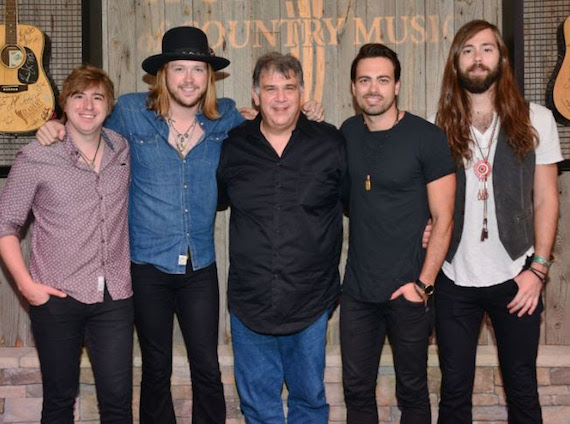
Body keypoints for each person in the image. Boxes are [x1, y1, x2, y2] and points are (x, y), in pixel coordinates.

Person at [36, 27, 323, 424]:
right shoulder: (132, 113)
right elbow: (88, 120)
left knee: (206, 365)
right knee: (157, 367)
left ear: (209, 77)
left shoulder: (226, 117)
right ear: (162, 75)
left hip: (199, 267)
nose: (189, 78)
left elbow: (275, 121)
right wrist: (54, 124)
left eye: (198, 69)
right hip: (147, 265)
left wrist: (307, 113)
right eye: (179, 68)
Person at [433, 20, 562, 424]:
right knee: (453, 391)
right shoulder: (439, 126)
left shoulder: (535, 118)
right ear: (457, 62)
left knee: (522, 387)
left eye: (486, 49)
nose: (477, 58)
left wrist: (537, 270)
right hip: (454, 277)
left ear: (501, 60)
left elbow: (546, 199)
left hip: (516, 274)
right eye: (468, 50)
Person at [216, 52, 347, 424]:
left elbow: (356, 202)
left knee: (309, 400)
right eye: (270, 89)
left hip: (310, 301)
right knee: (259, 407)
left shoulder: (330, 143)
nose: (280, 98)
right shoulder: (233, 145)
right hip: (250, 302)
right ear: (255, 96)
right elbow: (221, 198)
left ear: (302, 93)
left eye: (289, 88)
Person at [0, 65, 133, 423]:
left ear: (109, 106)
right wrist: (26, 287)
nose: (88, 106)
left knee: (118, 402)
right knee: (59, 401)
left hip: (114, 298)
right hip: (57, 298)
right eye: (79, 96)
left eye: (97, 97)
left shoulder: (122, 148)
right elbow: (4, 225)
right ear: (64, 104)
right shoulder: (36, 156)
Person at [339, 43, 456, 423]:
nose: (373, 88)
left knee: (413, 391)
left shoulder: (428, 137)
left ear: (397, 86)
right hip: (357, 292)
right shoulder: (347, 133)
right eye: (365, 80)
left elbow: (444, 218)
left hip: (409, 290)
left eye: (383, 80)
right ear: (354, 88)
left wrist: (422, 286)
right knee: (356, 391)